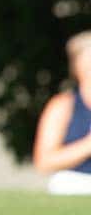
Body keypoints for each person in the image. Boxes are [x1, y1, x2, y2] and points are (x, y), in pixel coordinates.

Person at [32, 30, 91, 195]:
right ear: (77, 66)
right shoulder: (63, 106)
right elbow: (44, 162)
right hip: (76, 182)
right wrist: (87, 146)